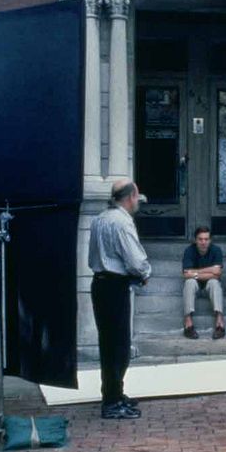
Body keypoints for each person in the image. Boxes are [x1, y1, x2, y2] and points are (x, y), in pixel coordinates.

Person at [87, 178, 150, 420]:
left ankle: (113, 394)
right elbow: (135, 260)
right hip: (115, 285)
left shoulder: (100, 219)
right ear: (131, 196)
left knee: (109, 343)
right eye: (137, 196)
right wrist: (145, 273)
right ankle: (112, 401)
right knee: (119, 345)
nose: (138, 201)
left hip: (100, 283)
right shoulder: (122, 222)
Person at [182, 226, 226, 340]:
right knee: (189, 282)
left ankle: (220, 322)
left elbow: (217, 274)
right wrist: (210, 270)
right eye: (200, 239)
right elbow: (186, 274)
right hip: (195, 284)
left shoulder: (216, 250)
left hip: (210, 285)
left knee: (214, 282)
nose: (203, 242)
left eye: (206, 239)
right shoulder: (189, 250)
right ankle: (188, 322)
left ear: (210, 240)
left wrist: (195, 272)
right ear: (195, 240)